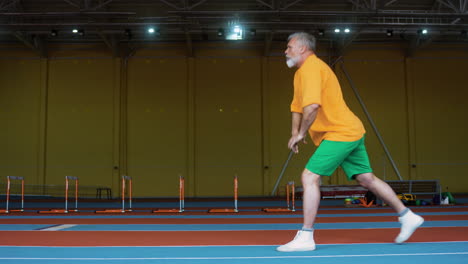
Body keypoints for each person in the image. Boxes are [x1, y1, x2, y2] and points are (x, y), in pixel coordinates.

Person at [276, 32, 424, 252]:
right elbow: (297, 107)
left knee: (309, 176)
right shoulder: (300, 74)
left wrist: (301, 134)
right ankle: (407, 215)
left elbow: (312, 107)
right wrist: (294, 132)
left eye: (289, 47)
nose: (285, 51)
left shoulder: (312, 69)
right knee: (367, 179)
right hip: (350, 130)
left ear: (302, 49)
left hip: (341, 132)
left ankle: (306, 236)